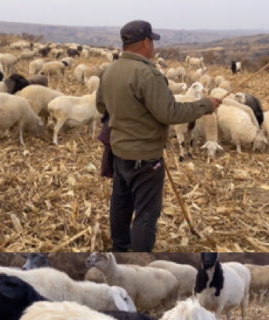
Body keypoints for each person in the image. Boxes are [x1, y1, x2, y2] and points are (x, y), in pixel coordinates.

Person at [95, 20, 221, 252]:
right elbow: (170, 113)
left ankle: (120, 251)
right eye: (151, 40)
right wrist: (205, 105)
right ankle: (141, 263)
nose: (152, 45)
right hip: (145, 158)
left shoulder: (110, 70)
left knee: (120, 205)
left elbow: (101, 105)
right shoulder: (148, 74)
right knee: (146, 214)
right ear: (145, 43)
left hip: (119, 152)